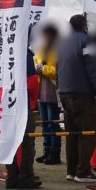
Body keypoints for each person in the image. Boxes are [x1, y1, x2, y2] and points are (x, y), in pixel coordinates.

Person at [56, 14, 96, 182]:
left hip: (64, 92)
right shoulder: (88, 41)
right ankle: (83, 171)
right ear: (85, 26)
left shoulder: (62, 42)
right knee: (88, 133)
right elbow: (92, 66)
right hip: (82, 93)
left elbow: (57, 67)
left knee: (72, 134)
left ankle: (71, 170)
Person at [6, 48, 43, 189]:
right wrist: (33, 100)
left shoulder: (0, 50)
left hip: (5, 104)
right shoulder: (24, 54)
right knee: (27, 142)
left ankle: (11, 177)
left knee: (9, 142)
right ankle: (26, 177)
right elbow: (33, 83)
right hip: (22, 104)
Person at [35, 24, 61, 165]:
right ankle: (46, 150)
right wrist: (38, 67)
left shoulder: (58, 49)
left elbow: (58, 71)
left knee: (53, 123)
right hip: (41, 91)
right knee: (45, 123)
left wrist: (43, 69)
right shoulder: (41, 48)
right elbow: (36, 61)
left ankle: (54, 152)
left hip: (52, 91)